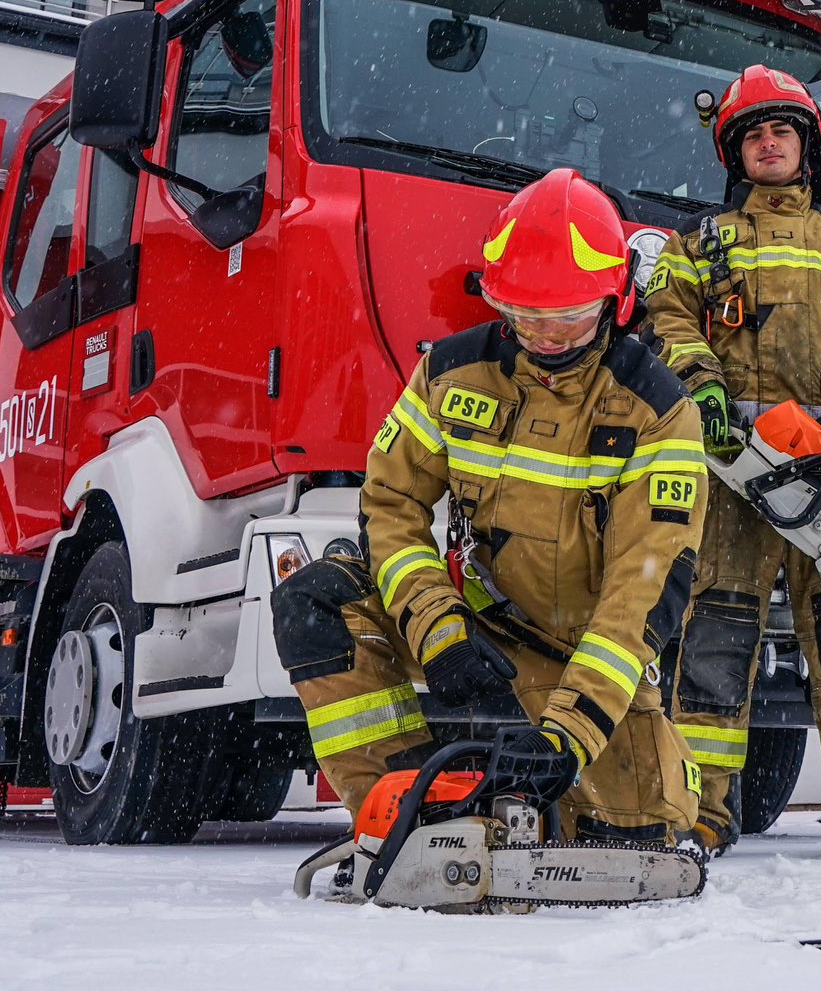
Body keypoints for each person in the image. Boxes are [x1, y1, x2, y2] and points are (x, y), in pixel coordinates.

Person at [271, 168, 708, 846]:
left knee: (634, 836)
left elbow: (639, 599)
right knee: (316, 600)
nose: (547, 337)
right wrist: (436, 626)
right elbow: (389, 505)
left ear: (615, 301)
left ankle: (585, 782)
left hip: (584, 659)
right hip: (473, 630)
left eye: (569, 316)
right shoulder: (449, 376)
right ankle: (412, 813)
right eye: (527, 316)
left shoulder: (659, 412)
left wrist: (567, 734)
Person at [645, 64, 821, 856]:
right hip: (738, 470)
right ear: (735, 153)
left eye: (781, 131)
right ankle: (701, 814)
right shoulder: (697, 245)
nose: (769, 144)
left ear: (807, 147)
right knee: (716, 638)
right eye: (755, 134)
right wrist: (701, 386)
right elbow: (668, 320)